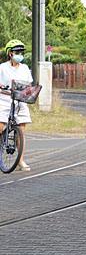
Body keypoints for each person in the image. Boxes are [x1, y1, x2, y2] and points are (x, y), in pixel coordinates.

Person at [0, 40, 33, 171]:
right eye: (17, 52)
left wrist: (29, 91)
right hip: (4, 98)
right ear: (10, 53)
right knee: (1, 127)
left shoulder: (25, 68)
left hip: (20, 100)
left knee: (21, 131)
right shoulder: (2, 67)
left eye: (21, 52)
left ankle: (20, 160)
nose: (19, 55)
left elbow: (29, 84)